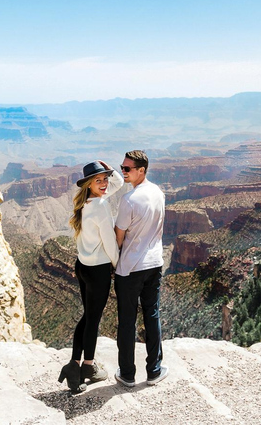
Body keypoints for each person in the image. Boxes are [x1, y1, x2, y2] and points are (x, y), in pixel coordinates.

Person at [58, 160, 124, 393]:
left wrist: (109, 171)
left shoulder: (86, 203)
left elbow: (117, 184)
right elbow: (109, 240)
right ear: (89, 184)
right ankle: (82, 366)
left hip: (82, 266)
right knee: (92, 321)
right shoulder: (101, 207)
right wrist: (118, 267)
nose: (105, 183)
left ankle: (80, 365)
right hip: (98, 271)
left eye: (105, 179)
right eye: (99, 180)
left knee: (88, 317)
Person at [113, 150, 168, 387]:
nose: (123, 172)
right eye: (122, 168)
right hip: (154, 263)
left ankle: (127, 374)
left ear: (141, 170)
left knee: (127, 320)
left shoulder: (129, 201)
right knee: (151, 314)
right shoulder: (158, 192)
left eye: (127, 169)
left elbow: (118, 238)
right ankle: (154, 370)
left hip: (130, 268)